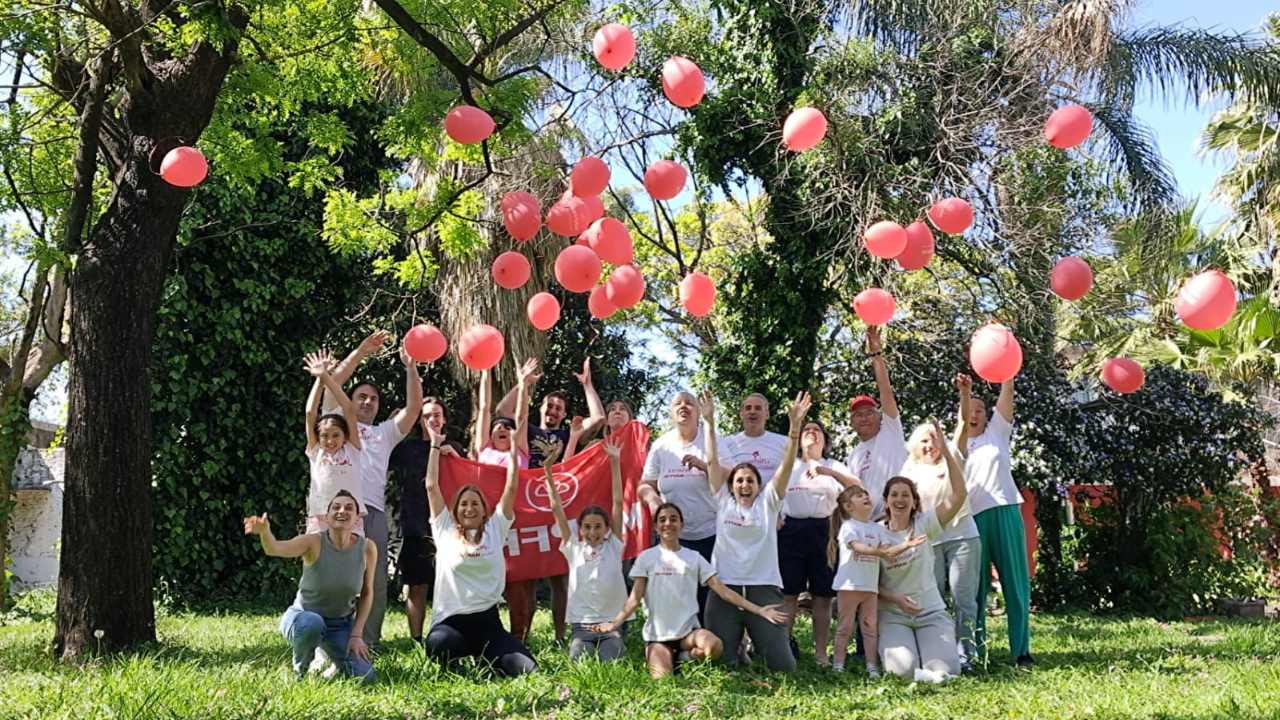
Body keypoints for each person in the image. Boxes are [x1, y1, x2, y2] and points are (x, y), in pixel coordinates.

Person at [421, 364, 536, 677]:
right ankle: (458, 664)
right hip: (451, 623)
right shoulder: (443, 527)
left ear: (486, 510)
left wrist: (514, 451)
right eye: (464, 504)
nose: (470, 508)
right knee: (439, 644)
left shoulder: (496, 527)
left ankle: (489, 660)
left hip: (487, 623)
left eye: (476, 503)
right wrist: (434, 444)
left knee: (527, 670)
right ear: (455, 510)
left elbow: (512, 486)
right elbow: (431, 486)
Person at [590, 502, 788, 678]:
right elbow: (634, 599)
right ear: (656, 527)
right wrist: (614, 624)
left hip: (688, 635)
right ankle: (665, 657)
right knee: (662, 681)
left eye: (674, 519)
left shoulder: (694, 557)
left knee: (714, 646)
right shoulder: (646, 558)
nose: (668, 524)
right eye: (663, 520)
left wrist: (758, 610)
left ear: (682, 526)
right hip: (658, 637)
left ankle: (684, 658)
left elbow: (723, 591)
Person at [321, 331, 423, 652]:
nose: (367, 401)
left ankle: (369, 642)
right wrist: (362, 351)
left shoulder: (385, 433)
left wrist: (410, 367)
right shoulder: (337, 423)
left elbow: (415, 406)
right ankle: (326, 641)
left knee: (374, 583)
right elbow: (331, 382)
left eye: (374, 398)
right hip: (337, 512)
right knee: (332, 579)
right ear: (349, 401)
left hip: (374, 513)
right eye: (361, 396)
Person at [496, 358, 606, 644]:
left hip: (559, 507)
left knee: (561, 577)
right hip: (527, 505)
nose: (554, 411)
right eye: (550, 406)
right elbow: (502, 411)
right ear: (541, 408)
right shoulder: (527, 430)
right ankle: (523, 636)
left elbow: (599, 419)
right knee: (527, 575)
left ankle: (560, 636)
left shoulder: (569, 433)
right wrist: (522, 383)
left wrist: (587, 385)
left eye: (559, 408)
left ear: (564, 414)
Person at [703, 390, 810, 672]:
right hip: (725, 590)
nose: (744, 485)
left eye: (750, 480)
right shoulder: (723, 500)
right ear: (731, 485)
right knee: (720, 666)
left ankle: (753, 649)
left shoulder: (769, 503)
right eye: (739, 480)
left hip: (764, 589)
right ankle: (735, 650)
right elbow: (713, 462)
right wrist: (710, 423)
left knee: (784, 667)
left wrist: (795, 428)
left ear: (759, 485)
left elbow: (786, 466)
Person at [244, 490, 377, 683]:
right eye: (336, 507)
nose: (342, 511)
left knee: (366, 677)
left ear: (357, 518)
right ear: (327, 517)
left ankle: (336, 665)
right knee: (313, 623)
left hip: (340, 624)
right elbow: (275, 549)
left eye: (349, 508)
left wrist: (356, 633)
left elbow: (367, 592)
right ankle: (300, 672)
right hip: (303, 617)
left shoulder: (367, 547)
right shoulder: (313, 541)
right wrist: (265, 532)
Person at [900, 374, 981, 670]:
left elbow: (962, 426)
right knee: (933, 601)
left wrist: (965, 395)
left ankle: (967, 656)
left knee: (964, 600)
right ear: (914, 446)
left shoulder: (952, 460)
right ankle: (937, 652)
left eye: (934, 439)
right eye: (924, 440)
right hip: (927, 543)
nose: (930, 445)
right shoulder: (907, 470)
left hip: (962, 536)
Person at [877, 420, 968, 679]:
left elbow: (959, 493)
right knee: (902, 672)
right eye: (894, 494)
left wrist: (947, 449)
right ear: (886, 501)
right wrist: (895, 600)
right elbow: (869, 583)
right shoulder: (875, 533)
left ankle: (932, 659)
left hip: (930, 613)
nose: (900, 499)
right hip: (893, 615)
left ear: (915, 501)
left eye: (906, 495)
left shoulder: (926, 523)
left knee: (947, 670)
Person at [965, 378, 1035, 668]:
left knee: (1015, 583)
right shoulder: (955, 442)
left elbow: (1007, 390)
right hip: (971, 518)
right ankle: (975, 651)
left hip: (1004, 510)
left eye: (981, 409)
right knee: (974, 588)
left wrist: (1006, 370)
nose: (975, 413)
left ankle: (1021, 650)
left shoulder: (996, 432)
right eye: (969, 408)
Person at [640, 391, 731, 614]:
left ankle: (712, 643)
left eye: (689, 403)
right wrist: (652, 500)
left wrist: (705, 465)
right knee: (676, 595)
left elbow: (733, 475)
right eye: (678, 404)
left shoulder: (712, 439)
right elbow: (645, 484)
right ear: (671, 413)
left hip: (711, 534)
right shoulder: (662, 445)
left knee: (710, 599)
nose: (684, 407)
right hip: (674, 536)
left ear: (698, 411)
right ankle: (677, 642)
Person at [779, 418, 860, 664]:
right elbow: (774, 495)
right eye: (807, 430)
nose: (811, 433)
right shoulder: (789, 466)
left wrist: (829, 472)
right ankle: (784, 649)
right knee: (789, 594)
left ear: (825, 441)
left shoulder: (833, 465)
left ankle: (821, 652)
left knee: (822, 595)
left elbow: (857, 488)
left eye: (817, 431)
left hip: (824, 531)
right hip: (791, 530)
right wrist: (777, 517)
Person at [543, 436, 629, 661]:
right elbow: (556, 508)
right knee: (580, 662)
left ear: (607, 528)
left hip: (612, 624)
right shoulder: (573, 548)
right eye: (587, 527)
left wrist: (614, 462)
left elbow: (618, 502)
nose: (593, 532)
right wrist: (548, 472)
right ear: (580, 529)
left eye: (598, 527)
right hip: (582, 626)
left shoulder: (614, 545)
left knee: (612, 663)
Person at [388, 396, 466, 644]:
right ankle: (416, 639)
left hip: (450, 527)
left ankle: (453, 635)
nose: (432, 419)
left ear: (445, 419)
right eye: (427, 415)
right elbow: (382, 455)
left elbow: (467, 479)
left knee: (452, 585)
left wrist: (456, 457)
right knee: (417, 586)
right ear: (419, 420)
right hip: (415, 525)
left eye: (437, 415)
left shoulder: (454, 447)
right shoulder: (407, 448)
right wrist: (391, 426)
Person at [828, 484, 904, 677]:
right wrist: (876, 551)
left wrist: (906, 545)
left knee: (870, 628)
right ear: (848, 506)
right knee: (844, 628)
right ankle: (838, 664)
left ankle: (872, 665)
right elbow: (857, 546)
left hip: (870, 588)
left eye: (866, 494)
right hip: (849, 587)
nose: (865, 497)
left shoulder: (877, 528)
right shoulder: (848, 527)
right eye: (859, 496)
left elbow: (887, 550)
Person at [843, 326, 908, 520]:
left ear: (880, 417)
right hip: (872, 524)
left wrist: (876, 355)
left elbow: (885, 390)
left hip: (900, 517)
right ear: (852, 423)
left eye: (869, 413)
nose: (864, 418)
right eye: (857, 415)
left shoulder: (890, 431)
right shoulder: (853, 456)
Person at [303, 350, 364, 533]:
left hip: (351, 518)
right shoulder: (316, 451)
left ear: (345, 436)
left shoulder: (352, 449)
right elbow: (310, 413)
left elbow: (348, 410)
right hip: (320, 517)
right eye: (325, 436)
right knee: (316, 561)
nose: (330, 441)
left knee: (353, 560)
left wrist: (327, 378)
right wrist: (320, 379)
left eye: (336, 435)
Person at [473, 365, 530, 469]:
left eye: (508, 428)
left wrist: (523, 384)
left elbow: (522, 417)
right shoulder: (485, 448)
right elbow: (484, 408)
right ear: (491, 437)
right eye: (498, 428)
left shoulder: (520, 449)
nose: (502, 429)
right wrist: (486, 370)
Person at [723, 393, 788, 479]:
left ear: (767, 414)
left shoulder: (784, 442)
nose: (752, 411)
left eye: (758, 408)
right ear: (741, 414)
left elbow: (798, 469)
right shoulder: (726, 444)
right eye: (748, 408)